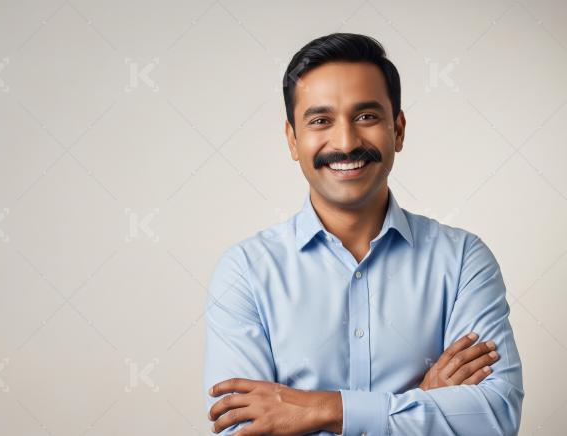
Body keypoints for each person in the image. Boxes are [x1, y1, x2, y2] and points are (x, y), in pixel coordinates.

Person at [203, 33, 524, 435]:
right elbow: (242, 431)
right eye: (320, 121)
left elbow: (494, 419)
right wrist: (423, 401)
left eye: (366, 117)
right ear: (293, 139)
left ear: (398, 130)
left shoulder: (462, 260)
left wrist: (323, 409)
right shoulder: (245, 272)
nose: (346, 142)